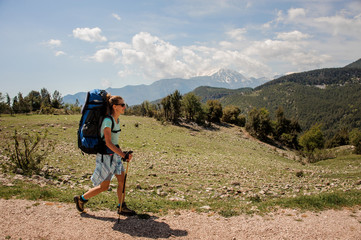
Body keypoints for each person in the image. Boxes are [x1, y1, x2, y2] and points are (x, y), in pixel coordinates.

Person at [74, 94, 136, 216]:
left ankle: (121, 206)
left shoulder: (117, 120)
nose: (124, 107)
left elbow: (115, 143)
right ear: (115, 107)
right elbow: (108, 143)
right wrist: (122, 155)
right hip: (106, 157)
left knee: (122, 181)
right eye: (122, 105)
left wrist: (123, 154)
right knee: (104, 187)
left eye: (124, 104)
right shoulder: (108, 121)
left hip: (115, 156)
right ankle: (81, 199)